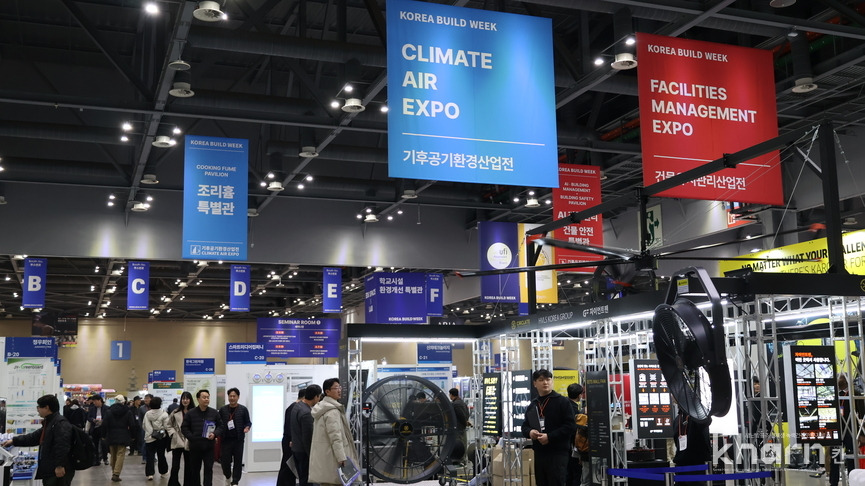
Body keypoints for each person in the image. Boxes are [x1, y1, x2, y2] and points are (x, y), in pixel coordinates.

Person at [2, 394, 75, 486]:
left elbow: (63, 446)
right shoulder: (50, 422)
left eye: (39, 407)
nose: (38, 410)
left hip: (57, 471)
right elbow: (34, 437)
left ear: (47, 408)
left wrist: (60, 465)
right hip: (50, 469)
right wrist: (14, 441)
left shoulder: (60, 424)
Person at [521, 369, 576, 486]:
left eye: (548, 379)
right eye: (541, 380)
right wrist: (530, 432)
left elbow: (570, 426)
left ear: (552, 381)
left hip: (558, 453)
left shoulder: (562, 402)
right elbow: (524, 426)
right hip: (540, 453)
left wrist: (550, 437)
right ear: (535, 383)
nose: (545, 382)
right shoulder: (533, 404)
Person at [309, 378, 358, 486]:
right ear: (327, 391)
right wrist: (341, 457)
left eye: (340, 387)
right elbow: (335, 436)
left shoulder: (322, 408)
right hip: (333, 458)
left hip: (325, 457)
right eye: (336, 388)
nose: (339, 390)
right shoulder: (332, 412)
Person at [182, 389, 223, 486]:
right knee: (195, 470)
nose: (206, 399)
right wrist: (191, 437)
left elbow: (221, 426)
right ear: (198, 399)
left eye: (208, 397)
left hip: (209, 447)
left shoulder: (214, 413)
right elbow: (184, 427)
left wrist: (215, 434)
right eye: (204, 397)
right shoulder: (191, 413)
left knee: (208, 469)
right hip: (195, 447)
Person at [218, 388, 252, 486]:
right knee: (225, 462)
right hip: (226, 440)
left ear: (238, 397)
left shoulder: (243, 409)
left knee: (238, 461)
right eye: (230, 396)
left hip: (238, 440)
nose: (232, 398)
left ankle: (235, 481)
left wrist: (247, 427)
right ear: (228, 397)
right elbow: (218, 423)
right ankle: (228, 476)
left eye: (234, 396)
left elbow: (248, 422)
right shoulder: (223, 410)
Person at [290, 385, 322, 486]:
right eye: (319, 396)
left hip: (296, 449)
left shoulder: (297, 406)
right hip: (304, 452)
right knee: (306, 480)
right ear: (316, 396)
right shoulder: (307, 413)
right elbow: (307, 437)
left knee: (302, 478)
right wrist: (311, 455)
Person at [103, 395, 138, 483]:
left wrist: (103, 435)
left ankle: (114, 472)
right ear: (123, 402)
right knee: (120, 454)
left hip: (111, 435)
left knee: (113, 455)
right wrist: (133, 436)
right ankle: (116, 473)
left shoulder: (109, 411)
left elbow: (104, 424)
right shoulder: (128, 411)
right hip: (123, 435)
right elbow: (132, 425)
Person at [672, 409, 712, 485]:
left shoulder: (698, 415)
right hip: (683, 467)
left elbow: (707, 421)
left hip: (696, 466)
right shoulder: (678, 419)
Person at [277, 390, 306, 486]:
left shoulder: (293, 407)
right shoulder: (294, 407)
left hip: (290, 440)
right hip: (290, 441)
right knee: (288, 466)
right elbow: (291, 426)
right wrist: (292, 440)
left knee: (289, 466)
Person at [166, 392, 193, 486]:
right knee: (175, 465)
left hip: (189, 440)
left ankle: (188, 483)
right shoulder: (175, 412)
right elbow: (168, 425)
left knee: (189, 465)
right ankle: (173, 483)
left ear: (190, 400)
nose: (185, 401)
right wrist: (173, 434)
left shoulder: (194, 412)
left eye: (187, 399)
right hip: (177, 440)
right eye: (183, 399)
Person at [143, 396, 169, 481]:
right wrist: (160, 432)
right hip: (161, 438)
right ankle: (163, 472)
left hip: (149, 438)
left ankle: (150, 474)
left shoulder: (147, 414)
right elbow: (166, 426)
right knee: (161, 455)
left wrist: (151, 433)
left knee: (150, 456)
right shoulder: (164, 414)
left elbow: (145, 425)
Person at [566, 383, 584, 486]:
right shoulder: (575, 411)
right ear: (579, 395)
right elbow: (576, 432)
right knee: (576, 474)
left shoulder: (563, 405)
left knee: (568, 474)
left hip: (564, 446)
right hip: (573, 446)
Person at [86, 394, 109, 466]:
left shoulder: (107, 408)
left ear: (100, 400)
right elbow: (88, 417)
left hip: (103, 428)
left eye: (95, 401)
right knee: (95, 445)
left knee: (104, 444)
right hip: (95, 428)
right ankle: (96, 460)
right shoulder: (92, 409)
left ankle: (105, 458)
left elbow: (108, 418)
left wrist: (103, 421)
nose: (94, 403)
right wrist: (93, 420)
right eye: (93, 402)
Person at [449, 388, 470, 463]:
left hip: (458, 427)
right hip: (462, 427)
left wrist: (464, 422)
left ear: (451, 395)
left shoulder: (456, 404)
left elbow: (461, 415)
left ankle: (460, 460)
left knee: (459, 444)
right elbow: (467, 413)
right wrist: (466, 422)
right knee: (463, 443)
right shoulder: (462, 402)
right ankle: (463, 460)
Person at [138, 395, 152, 460]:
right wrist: (141, 427)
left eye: (147, 398)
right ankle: (145, 457)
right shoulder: (142, 408)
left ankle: (152, 456)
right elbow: (140, 418)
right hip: (144, 428)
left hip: (153, 428)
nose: (146, 400)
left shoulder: (153, 407)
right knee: (144, 442)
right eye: (145, 398)